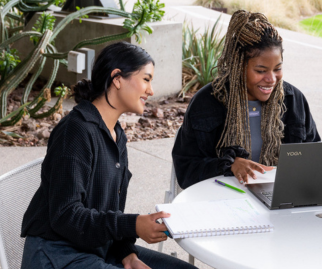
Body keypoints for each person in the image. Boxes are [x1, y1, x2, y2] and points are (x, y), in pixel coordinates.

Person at [20, 42, 198, 269]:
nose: (151, 90)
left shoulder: (116, 135)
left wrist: (128, 255)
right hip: (57, 255)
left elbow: (108, 211)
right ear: (117, 78)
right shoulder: (75, 132)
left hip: (97, 247)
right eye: (146, 79)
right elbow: (66, 216)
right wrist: (133, 225)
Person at [172, 10, 321, 189]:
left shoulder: (293, 100)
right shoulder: (206, 103)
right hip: (220, 198)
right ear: (238, 67)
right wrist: (228, 166)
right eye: (260, 71)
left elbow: (315, 156)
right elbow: (186, 170)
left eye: (277, 68)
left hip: (280, 196)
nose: (271, 79)